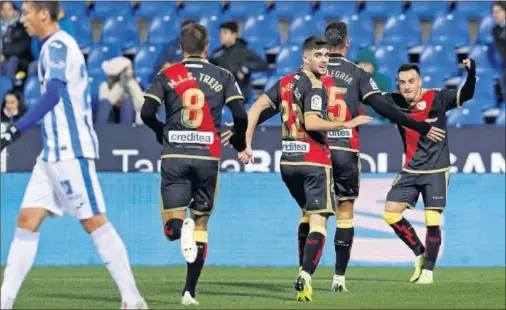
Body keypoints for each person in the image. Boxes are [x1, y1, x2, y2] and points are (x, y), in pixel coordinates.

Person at [0, 2, 147, 309]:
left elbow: (53, 93)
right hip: (51, 152)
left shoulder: (57, 44)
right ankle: (4, 301)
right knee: (27, 219)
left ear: (44, 13)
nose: (23, 18)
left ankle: (133, 300)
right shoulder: (50, 46)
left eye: (26, 12)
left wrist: (15, 130)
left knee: (93, 221)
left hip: (70, 149)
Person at [236, 35, 373, 302]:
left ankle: (303, 270)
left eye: (326, 55)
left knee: (307, 214)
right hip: (313, 161)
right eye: (318, 56)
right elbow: (312, 123)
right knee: (320, 220)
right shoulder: (316, 86)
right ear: (305, 58)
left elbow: (254, 109)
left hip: (288, 163)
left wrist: (245, 145)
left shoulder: (284, 83)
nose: (324, 61)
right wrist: (347, 122)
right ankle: (306, 275)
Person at [321, 21, 445, 293]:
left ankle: (303, 275)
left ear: (323, 44)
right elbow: (383, 107)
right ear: (347, 43)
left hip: (315, 151)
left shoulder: (309, 72)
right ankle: (339, 278)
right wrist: (420, 125)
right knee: (345, 211)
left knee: (311, 215)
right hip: (345, 149)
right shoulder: (356, 73)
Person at [140, 23, 248, 306]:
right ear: (207, 45)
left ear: (181, 47)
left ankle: (180, 229)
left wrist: (160, 130)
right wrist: (237, 139)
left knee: (171, 229)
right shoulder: (223, 75)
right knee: (201, 223)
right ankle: (189, 292)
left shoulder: (167, 74)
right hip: (206, 156)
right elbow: (240, 114)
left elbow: (146, 111)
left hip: (175, 154)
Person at [382, 60, 476, 285]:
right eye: (402, 82)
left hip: (437, 168)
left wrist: (472, 73)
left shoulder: (437, 98)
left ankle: (428, 272)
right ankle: (420, 252)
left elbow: (466, 94)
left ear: (420, 82)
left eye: (411, 81)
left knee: (431, 220)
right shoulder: (393, 101)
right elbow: (367, 99)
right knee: (390, 213)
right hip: (411, 169)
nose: (407, 86)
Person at [209, 21, 268, 103]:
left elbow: (263, 65)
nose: (221, 36)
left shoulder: (244, 51)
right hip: (219, 92)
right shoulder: (217, 53)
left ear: (234, 35)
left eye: (225, 33)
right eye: (221, 33)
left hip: (239, 94)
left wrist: (245, 68)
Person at [96, 56, 144, 125]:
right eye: (129, 69)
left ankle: (126, 132)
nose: (132, 71)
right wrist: (120, 85)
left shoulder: (133, 83)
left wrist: (131, 84)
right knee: (105, 102)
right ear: (121, 72)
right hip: (111, 118)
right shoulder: (104, 85)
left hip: (131, 120)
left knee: (127, 101)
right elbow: (106, 105)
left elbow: (140, 104)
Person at [355, 47, 394, 123]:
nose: (364, 67)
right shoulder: (350, 79)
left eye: (368, 64)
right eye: (362, 64)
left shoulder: (384, 80)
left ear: (373, 66)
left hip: (375, 119)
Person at [1, 1, 32, 83]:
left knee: (11, 61)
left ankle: (9, 91)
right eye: (3, 9)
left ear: (15, 11)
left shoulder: (22, 26)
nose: (6, 12)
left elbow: (22, 46)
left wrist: (4, 54)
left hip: (18, 59)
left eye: (9, 9)